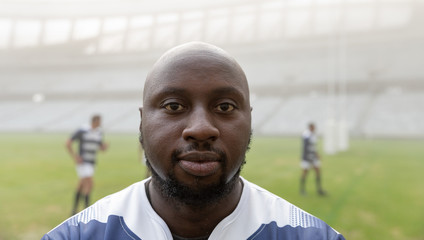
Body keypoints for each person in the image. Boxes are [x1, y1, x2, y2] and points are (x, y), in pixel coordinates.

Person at [42, 42, 344, 240]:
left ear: (249, 120)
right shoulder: (77, 235)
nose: (201, 129)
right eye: (173, 106)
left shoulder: (312, 236)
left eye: (225, 107)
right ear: (142, 122)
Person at [66, 114, 108, 215]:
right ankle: (87, 210)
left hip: (92, 162)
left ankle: (74, 209)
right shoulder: (83, 130)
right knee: (89, 184)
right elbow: (68, 143)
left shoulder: (99, 132)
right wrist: (75, 156)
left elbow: (99, 146)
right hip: (83, 162)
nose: (100, 124)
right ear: (95, 121)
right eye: (99, 121)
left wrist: (103, 147)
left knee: (81, 185)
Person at [300, 122, 326, 196]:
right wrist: (311, 156)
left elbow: (313, 147)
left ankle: (319, 189)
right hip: (307, 157)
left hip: (313, 157)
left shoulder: (313, 135)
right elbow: (306, 148)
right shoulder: (306, 135)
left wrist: (316, 154)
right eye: (313, 127)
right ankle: (302, 190)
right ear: (310, 127)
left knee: (318, 171)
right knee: (305, 172)